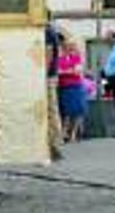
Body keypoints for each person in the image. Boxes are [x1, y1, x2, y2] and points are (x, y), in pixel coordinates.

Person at [57, 33, 87, 142]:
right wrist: (70, 71)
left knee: (77, 111)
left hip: (76, 86)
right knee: (66, 112)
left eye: (71, 46)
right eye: (67, 46)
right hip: (65, 87)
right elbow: (59, 72)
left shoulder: (76, 57)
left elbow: (77, 71)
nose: (69, 48)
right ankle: (64, 133)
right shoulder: (60, 59)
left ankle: (73, 134)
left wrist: (66, 71)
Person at [44, 20, 64, 159]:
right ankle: (54, 144)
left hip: (48, 76)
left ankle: (55, 145)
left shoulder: (47, 32)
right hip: (51, 75)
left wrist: (42, 74)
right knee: (51, 110)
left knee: (51, 109)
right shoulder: (50, 31)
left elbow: (48, 54)